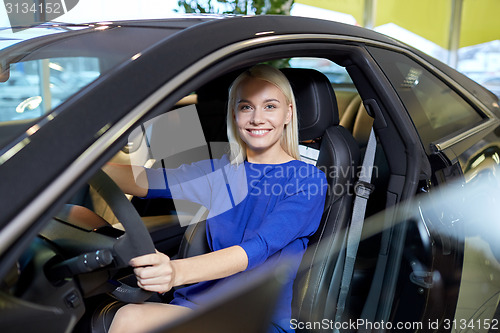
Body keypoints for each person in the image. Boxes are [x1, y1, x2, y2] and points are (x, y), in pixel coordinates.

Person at [106, 64, 327, 333]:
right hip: (196, 306)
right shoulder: (221, 171)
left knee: (130, 319)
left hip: (252, 317)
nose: (257, 118)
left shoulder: (307, 180)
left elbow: (256, 249)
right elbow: (146, 180)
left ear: (288, 113)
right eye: (246, 107)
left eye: (270, 106)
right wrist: (75, 165)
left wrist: (175, 272)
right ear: (234, 114)